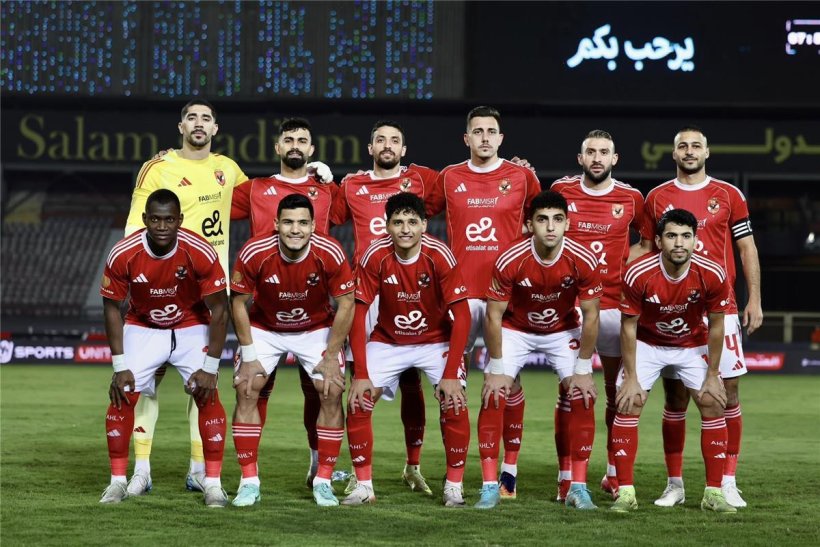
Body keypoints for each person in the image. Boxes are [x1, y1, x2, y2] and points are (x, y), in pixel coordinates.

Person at [122, 99, 247, 495]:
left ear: (215, 128)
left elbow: (262, 201)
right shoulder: (158, 167)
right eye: (192, 117)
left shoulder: (228, 169)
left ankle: (198, 469)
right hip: (161, 291)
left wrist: (310, 177)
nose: (199, 123)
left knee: (204, 383)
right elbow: (133, 231)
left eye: (206, 118)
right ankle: (142, 469)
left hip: (208, 296)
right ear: (181, 126)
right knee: (146, 384)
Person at [640, 126, 762, 508]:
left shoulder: (729, 194)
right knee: (675, 398)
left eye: (696, 146)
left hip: (720, 309)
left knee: (728, 394)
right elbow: (645, 250)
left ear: (707, 152)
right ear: (673, 153)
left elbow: (746, 247)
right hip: (673, 311)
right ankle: (674, 484)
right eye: (683, 146)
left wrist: (754, 299)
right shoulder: (656, 197)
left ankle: (727, 480)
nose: (689, 151)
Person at [427, 106, 541, 498]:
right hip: (458, 298)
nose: (485, 138)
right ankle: (454, 478)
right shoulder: (448, 177)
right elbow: (413, 209)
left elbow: (547, 219)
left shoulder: (522, 177)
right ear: (466, 138)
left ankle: (508, 473)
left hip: (505, 298)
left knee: (507, 382)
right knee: (451, 387)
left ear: (501, 138)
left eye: (491, 131)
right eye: (478, 131)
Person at [330, 120, 440, 497]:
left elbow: (469, 187)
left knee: (413, 382)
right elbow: (327, 215)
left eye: (395, 140)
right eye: (381, 140)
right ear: (370, 148)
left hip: (412, 289)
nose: (387, 145)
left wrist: (514, 166)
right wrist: (320, 178)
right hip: (368, 293)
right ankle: (359, 471)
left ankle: (413, 466)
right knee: (361, 386)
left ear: (403, 150)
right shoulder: (352, 185)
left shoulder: (422, 179)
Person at [99, 189, 229, 507]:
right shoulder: (124, 253)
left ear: (180, 220)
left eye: (169, 219)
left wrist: (210, 368)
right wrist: (119, 366)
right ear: (145, 219)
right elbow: (112, 307)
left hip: (191, 324)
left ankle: (212, 483)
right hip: (144, 325)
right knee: (123, 391)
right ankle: (118, 481)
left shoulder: (199, 250)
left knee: (208, 393)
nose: (161, 226)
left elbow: (220, 309)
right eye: (155, 219)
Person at [342, 192, 472, 507]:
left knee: (454, 402)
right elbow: (358, 313)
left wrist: (451, 374)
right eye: (398, 222)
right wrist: (360, 374)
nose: (405, 229)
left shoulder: (439, 255)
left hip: (435, 341)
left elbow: (463, 315)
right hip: (388, 340)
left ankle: (454, 485)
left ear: (424, 225)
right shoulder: (375, 255)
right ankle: (364, 486)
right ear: (387, 225)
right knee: (358, 401)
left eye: (412, 222)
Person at [230, 117, 338, 488]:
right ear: (277, 147)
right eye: (288, 139)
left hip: (314, 309)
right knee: (253, 387)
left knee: (322, 392)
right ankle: (249, 478)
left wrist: (334, 183)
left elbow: (366, 212)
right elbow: (207, 199)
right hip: (264, 309)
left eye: (302, 140)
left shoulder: (326, 191)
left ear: (312, 149)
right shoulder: (255, 188)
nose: (295, 145)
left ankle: (318, 468)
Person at [477, 190, 602, 510]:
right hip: (516, 329)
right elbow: (493, 315)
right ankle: (491, 486)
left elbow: (591, 316)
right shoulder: (511, 258)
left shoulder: (583, 258)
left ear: (567, 224)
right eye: (542, 219)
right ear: (530, 224)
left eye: (557, 219)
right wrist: (496, 367)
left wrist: (583, 369)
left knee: (582, 395)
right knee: (493, 393)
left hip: (562, 330)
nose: (550, 226)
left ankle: (576, 486)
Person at [229, 194, 355, 507]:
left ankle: (323, 480)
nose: (295, 229)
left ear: (313, 225)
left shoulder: (330, 252)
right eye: (288, 222)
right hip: (266, 327)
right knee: (247, 387)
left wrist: (331, 356)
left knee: (330, 389)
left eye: (302, 223)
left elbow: (347, 303)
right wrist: (248, 357)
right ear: (276, 224)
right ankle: (249, 482)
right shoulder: (255, 251)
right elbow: (238, 303)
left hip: (315, 329)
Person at [612, 208, 736, 514]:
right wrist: (630, 377)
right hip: (648, 343)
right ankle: (626, 493)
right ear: (658, 241)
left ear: (695, 240)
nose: (679, 243)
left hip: (691, 344)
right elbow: (628, 326)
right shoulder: (638, 272)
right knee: (628, 401)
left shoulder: (712, 272)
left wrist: (713, 374)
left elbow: (717, 325)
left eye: (685, 236)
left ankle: (713, 493)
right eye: (671, 236)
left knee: (713, 401)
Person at [551, 130, 648, 500]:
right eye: (590, 152)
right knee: (570, 391)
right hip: (571, 306)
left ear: (614, 159)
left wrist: (625, 264)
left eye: (603, 152)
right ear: (580, 158)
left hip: (614, 306)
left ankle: (611, 472)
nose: (597, 158)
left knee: (614, 392)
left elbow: (648, 242)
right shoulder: (561, 190)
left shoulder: (631, 197)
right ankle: (565, 476)